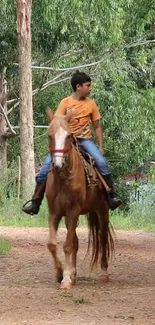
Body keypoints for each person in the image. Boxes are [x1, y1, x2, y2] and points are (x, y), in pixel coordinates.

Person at [23, 71, 121, 215]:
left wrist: (100, 146)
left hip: (85, 140)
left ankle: (110, 196)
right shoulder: (65, 102)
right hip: (65, 140)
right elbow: (57, 123)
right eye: (88, 85)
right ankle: (35, 202)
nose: (90, 88)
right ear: (78, 87)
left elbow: (97, 127)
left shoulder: (91, 104)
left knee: (101, 162)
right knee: (44, 171)